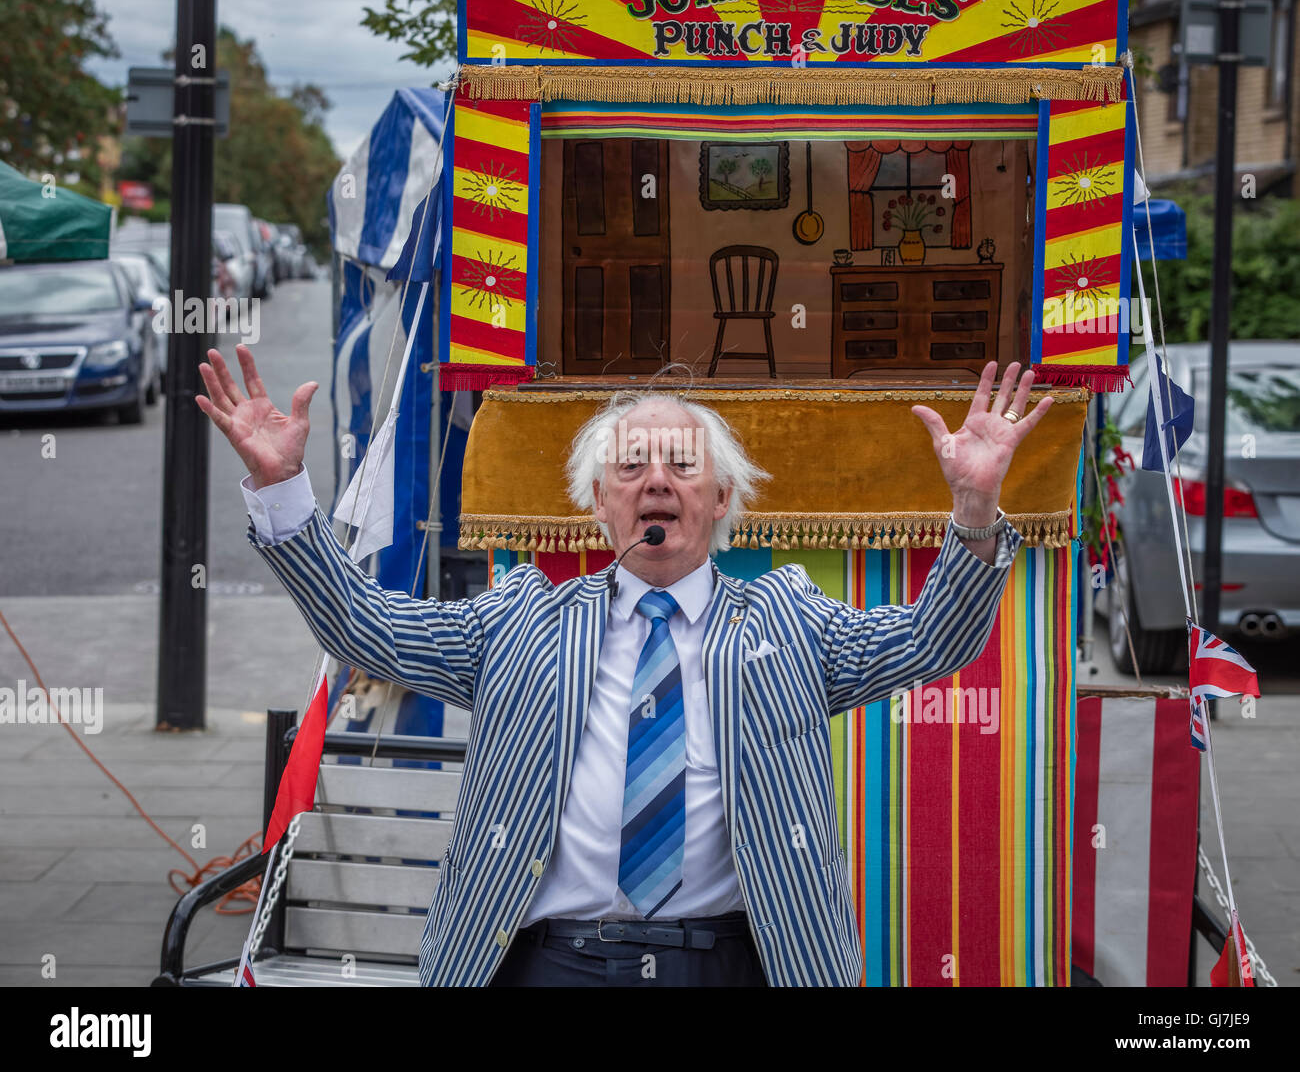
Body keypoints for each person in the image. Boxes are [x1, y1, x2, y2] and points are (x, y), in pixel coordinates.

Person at [197, 345, 1053, 986]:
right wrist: (283, 493)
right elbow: (363, 627)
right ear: (599, 503)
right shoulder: (523, 618)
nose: (657, 480)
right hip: (550, 964)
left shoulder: (788, 618)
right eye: (631, 466)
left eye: (684, 466)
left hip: (729, 963)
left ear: (721, 502)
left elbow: (934, 640)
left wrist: (976, 506)